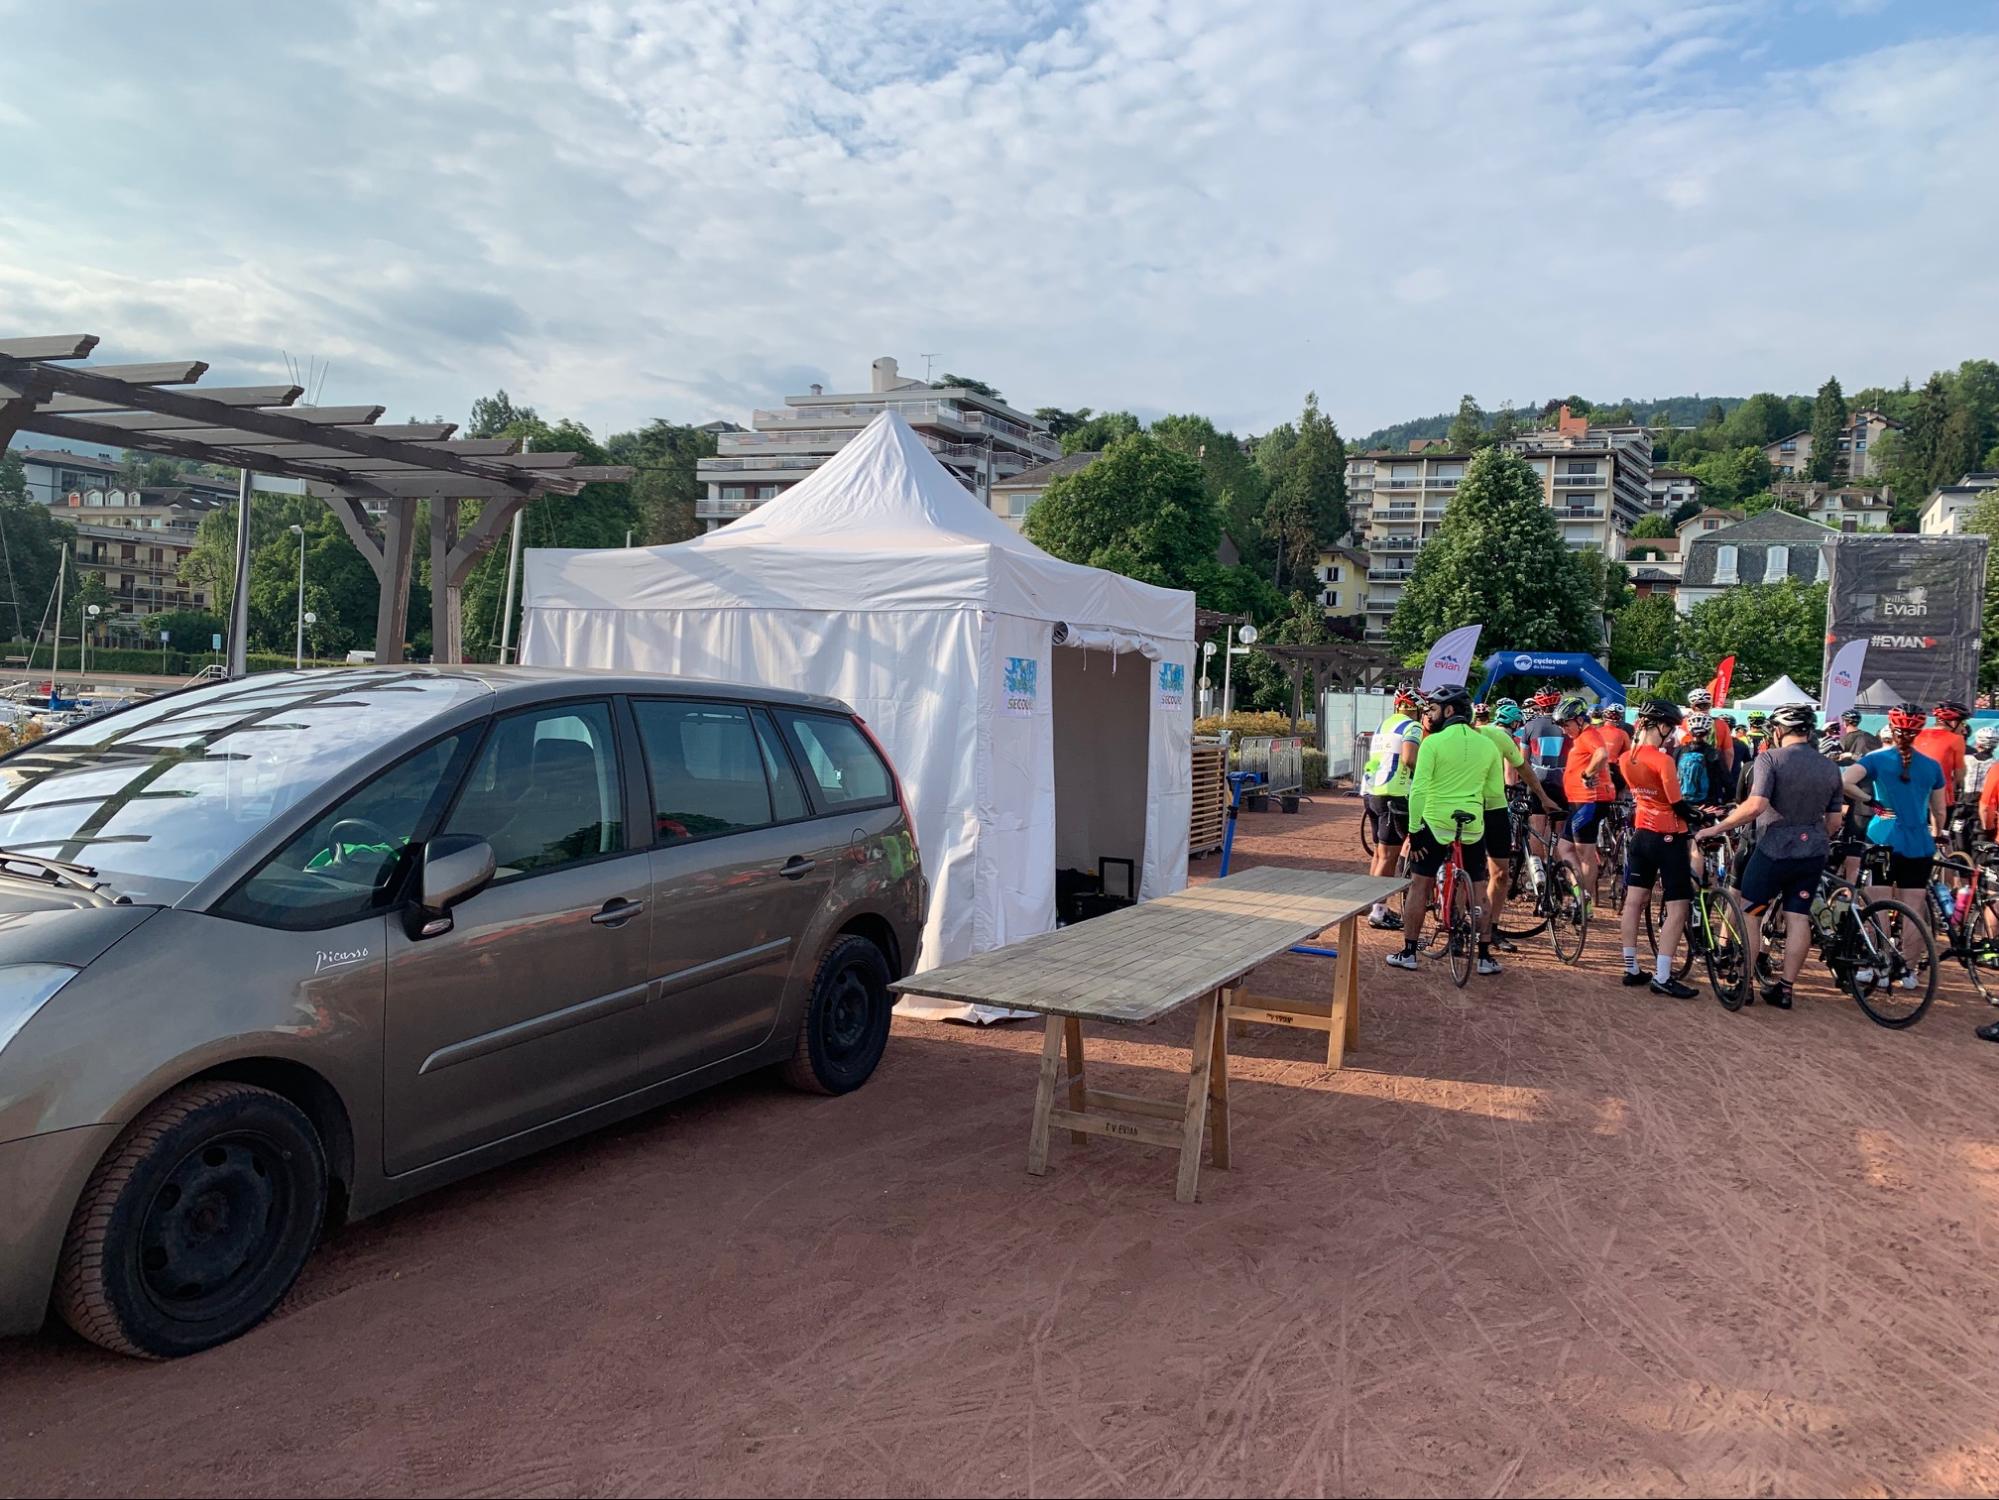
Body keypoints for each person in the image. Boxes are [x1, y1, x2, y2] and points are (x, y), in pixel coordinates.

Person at [1696, 705, 1845, 1008]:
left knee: (1752, 913)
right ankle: (1786, 989)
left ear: (1778, 731)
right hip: (1813, 851)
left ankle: (1746, 983)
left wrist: (1716, 829)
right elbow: (1834, 822)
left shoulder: (1769, 759)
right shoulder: (1830, 766)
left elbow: (1755, 805)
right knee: (1798, 918)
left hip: (1774, 850)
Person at [1388, 685, 1504, 974]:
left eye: (1434, 709)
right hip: (1473, 826)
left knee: (1420, 884)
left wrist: (1414, 832)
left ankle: (1409, 952)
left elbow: (1419, 792)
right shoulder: (1488, 745)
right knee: (1479, 889)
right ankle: (1485, 957)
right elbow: (1492, 793)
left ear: (1449, 711)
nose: (1429, 714)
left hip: (1435, 824)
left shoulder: (1433, 743)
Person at [1846, 703, 1949, 990]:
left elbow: (1845, 781)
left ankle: (1874, 964)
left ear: (1891, 729)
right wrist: (1938, 833)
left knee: (1876, 902)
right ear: (1919, 732)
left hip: (1883, 836)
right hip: (1918, 841)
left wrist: (1871, 803)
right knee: (1913, 909)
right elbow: (1939, 811)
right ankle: (1907, 971)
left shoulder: (1876, 759)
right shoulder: (1932, 766)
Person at [1616, 701, 1701, 999]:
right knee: (1678, 906)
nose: (1673, 733)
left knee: (1634, 901)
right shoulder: (1663, 760)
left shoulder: (1626, 758)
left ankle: (1631, 968)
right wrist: (1699, 815)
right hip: (1669, 835)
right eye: (1672, 728)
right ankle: (1663, 976)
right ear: (1661, 726)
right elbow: (1676, 803)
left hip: (1641, 834)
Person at [1478, 700, 1561, 953]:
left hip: (1493, 807)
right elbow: (1520, 772)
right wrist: (1545, 799)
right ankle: (1469, 926)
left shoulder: (1501, 738)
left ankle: (1487, 929)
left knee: (1494, 872)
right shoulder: (1486, 735)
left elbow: (1521, 769)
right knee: (1486, 873)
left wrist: (1541, 798)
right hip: (1473, 806)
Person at [1362, 681, 1424, 929]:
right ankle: (1378, 911)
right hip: (1395, 794)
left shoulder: (1384, 724)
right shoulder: (1413, 726)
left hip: (1373, 791)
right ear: (1417, 708)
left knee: (1379, 852)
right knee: (1388, 855)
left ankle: (1370, 902)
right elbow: (1410, 759)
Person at [1557, 696, 1614, 906]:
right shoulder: (1581, 738)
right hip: (1579, 802)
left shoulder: (1590, 735)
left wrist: (1587, 775)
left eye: (1566, 724)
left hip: (1589, 801)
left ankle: (1584, 903)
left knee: (1585, 853)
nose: (1564, 729)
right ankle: (1579, 895)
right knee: (1564, 848)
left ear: (1580, 720)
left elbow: (1601, 754)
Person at [1518, 686, 1569, 845]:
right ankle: (1556, 865)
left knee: (1537, 828)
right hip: (1562, 782)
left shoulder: (1529, 727)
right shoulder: (1566, 726)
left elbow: (1523, 761)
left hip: (1537, 781)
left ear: (1539, 705)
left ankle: (1537, 867)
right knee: (1558, 830)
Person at [1916, 699, 1971, 802]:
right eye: (1963, 723)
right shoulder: (1957, 739)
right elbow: (1959, 775)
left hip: (1915, 794)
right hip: (1942, 796)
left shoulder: (1918, 734)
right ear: (1953, 722)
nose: (1964, 729)